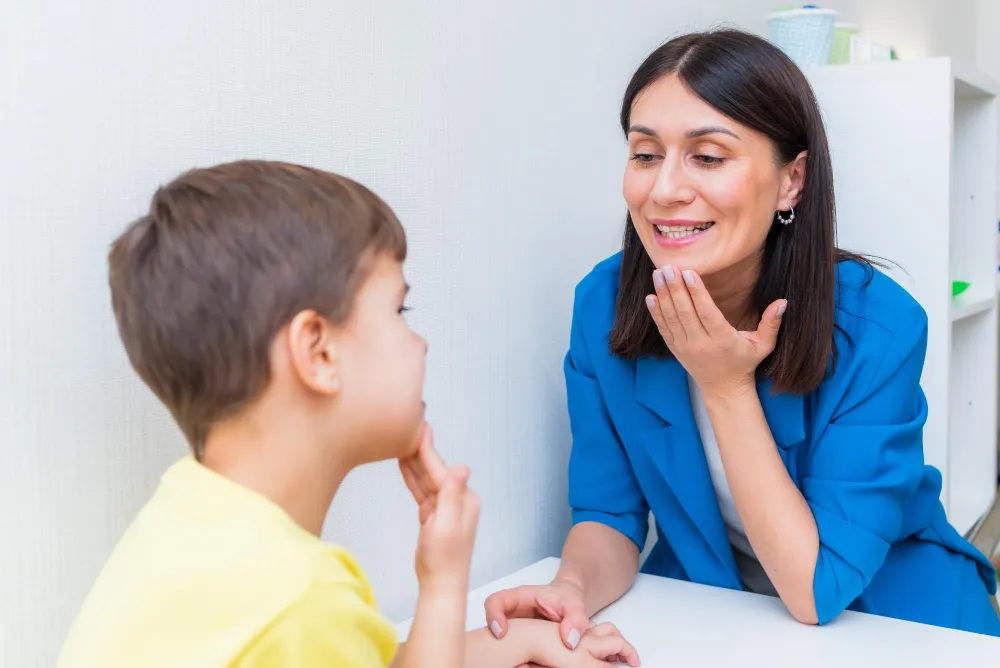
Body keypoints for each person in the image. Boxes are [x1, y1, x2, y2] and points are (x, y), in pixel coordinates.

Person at [485, 29, 1000, 649]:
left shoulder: (878, 328)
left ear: (792, 182)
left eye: (707, 155)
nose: (665, 189)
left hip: (884, 613)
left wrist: (725, 385)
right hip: (713, 603)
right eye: (645, 154)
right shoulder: (603, 306)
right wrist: (570, 588)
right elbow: (609, 517)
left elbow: (817, 588)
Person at [56, 160, 640, 668]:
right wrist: (443, 585)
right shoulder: (299, 598)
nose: (421, 344)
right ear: (318, 352)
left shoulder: (187, 519)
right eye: (398, 309)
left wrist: (521, 640)